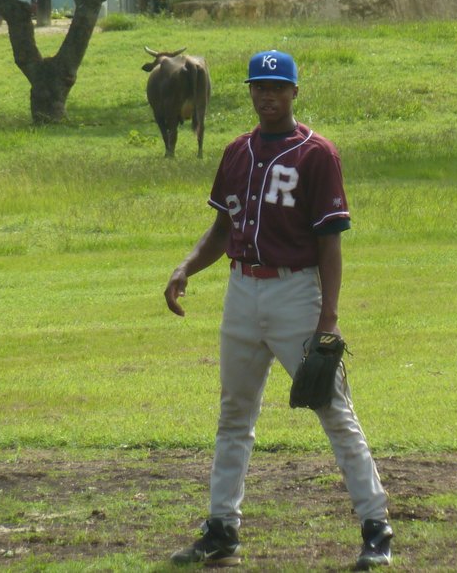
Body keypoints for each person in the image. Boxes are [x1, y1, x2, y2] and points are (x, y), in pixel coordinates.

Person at [163, 49, 393, 569]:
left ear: (294, 92)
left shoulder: (317, 154)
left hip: (296, 294)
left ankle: (376, 527)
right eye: (259, 87)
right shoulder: (236, 152)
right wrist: (186, 267)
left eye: (277, 87)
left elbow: (330, 242)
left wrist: (328, 318)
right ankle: (222, 527)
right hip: (241, 292)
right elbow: (222, 230)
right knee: (234, 413)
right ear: (250, 91)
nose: (267, 96)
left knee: (333, 410)